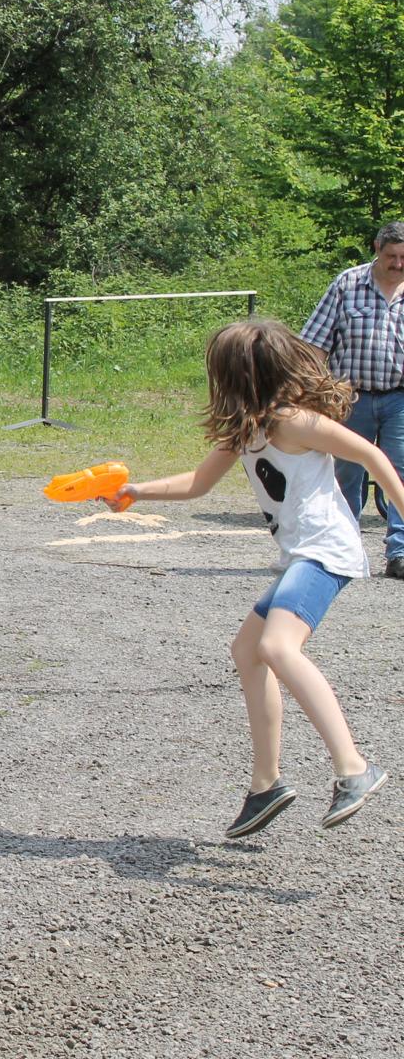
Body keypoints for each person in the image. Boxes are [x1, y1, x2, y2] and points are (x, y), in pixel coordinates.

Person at [104, 319, 404, 835]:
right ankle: (266, 784)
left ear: (238, 376)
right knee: (247, 650)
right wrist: (137, 491)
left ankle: (354, 766)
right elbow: (198, 483)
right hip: (300, 555)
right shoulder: (250, 429)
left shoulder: (295, 422)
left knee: (277, 647)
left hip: (326, 551)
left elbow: (372, 455)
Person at [300, 221, 404, 579]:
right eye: (391, 256)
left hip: (399, 400)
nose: (398, 264)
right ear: (377, 248)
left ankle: (400, 552)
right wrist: (311, 392)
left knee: (400, 474)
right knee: (346, 475)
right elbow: (314, 344)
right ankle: (344, 549)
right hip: (350, 398)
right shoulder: (348, 284)